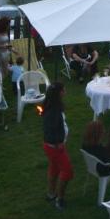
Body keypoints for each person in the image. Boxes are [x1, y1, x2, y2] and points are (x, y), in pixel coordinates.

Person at [42, 82, 73, 210]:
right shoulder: (53, 111)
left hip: (52, 146)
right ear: (58, 93)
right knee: (67, 171)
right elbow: (51, 129)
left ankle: (51, 193)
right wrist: (58, 143)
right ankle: (59, 199)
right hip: (55, 147)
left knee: (54, 168)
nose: (65, 91)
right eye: (63, 89)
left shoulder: (52, 105)